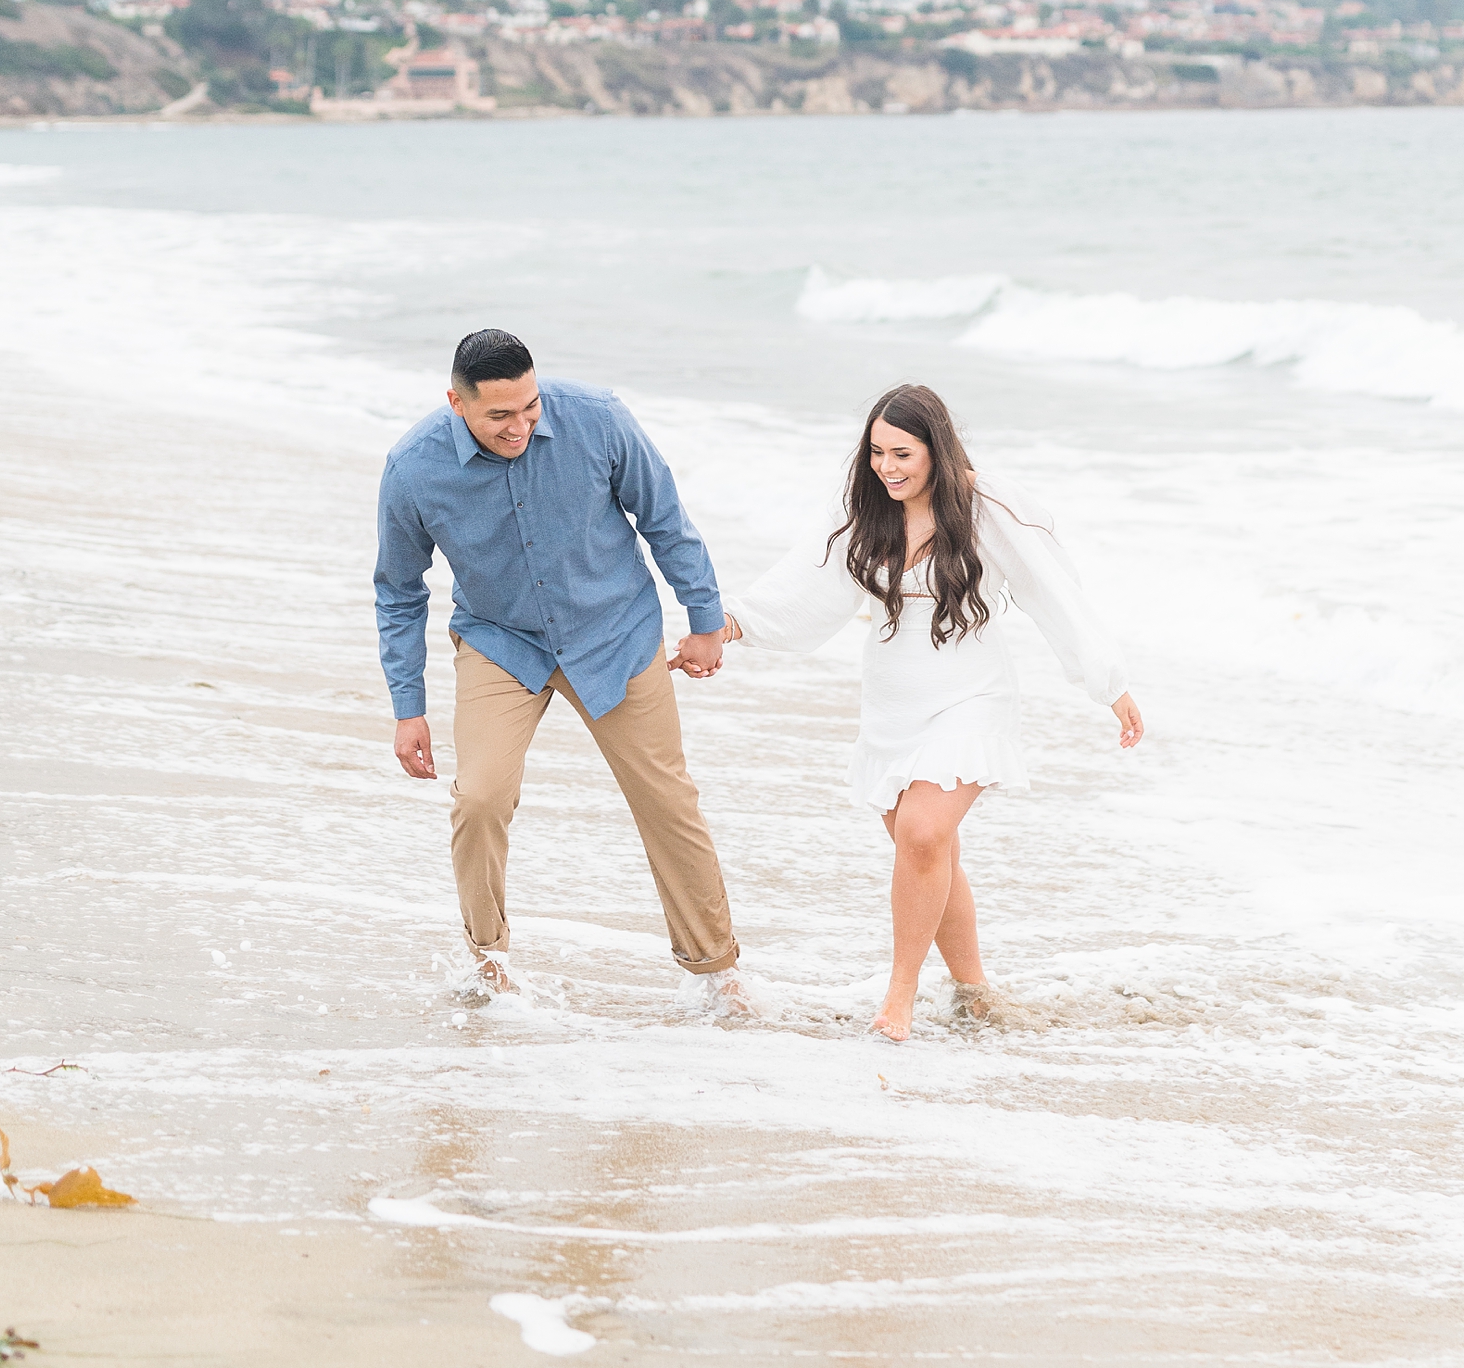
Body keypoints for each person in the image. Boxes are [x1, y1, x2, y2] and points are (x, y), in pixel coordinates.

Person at [671, 383, 1142, 1042]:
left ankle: (902, 993)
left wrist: (1107, 683)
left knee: (922, 835)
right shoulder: (865, 509)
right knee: (930, 850)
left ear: (937, 450)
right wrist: (727, 626)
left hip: (971, 697)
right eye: (876, 453)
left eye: (902, 453)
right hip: (892, 704)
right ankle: (975, 994)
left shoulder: (987, 509)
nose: (887, 468)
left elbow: (1051, 589)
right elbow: (805, 585)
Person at [376, 328, 742, 1000]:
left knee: (667, 799)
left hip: (614, 631)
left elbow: (664, 519)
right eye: (499, 416)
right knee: (479, 797)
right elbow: (398, 592)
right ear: (455, 403)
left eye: (530, 408)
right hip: (501, 641)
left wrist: (705, 620)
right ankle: (490, 966)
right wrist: (408, 708)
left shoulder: (598, 418)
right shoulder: (412, 468)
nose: (520, 426)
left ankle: (718, 977)